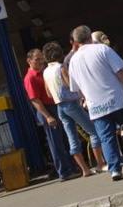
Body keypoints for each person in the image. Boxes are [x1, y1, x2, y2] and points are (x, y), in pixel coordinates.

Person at [68, 25, 123, 181]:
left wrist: (85, 98)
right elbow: (120, 71)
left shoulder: (73, 61)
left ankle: (115, 169)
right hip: (116, 98)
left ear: (77, 41)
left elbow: (76, 88)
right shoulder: (102, 49)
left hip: (96, 105)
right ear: (89, 37)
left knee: (106, 137)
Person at [42, 41, 106, 176]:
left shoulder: (46, 72)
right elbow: (70, 85)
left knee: (72, 138)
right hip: (71, 104)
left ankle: (85, 170)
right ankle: (100, 164)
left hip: (59, 106)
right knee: (93, 131)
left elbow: (48, 93)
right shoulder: (61, 68)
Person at [23, 48, 76, 181]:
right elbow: (34, 100)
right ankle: (64, 172)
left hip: (55, 106)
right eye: (37, 59)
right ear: (29, 61)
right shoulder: (30, 78)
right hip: (46, 110)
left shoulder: (44, 72)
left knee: (64, 138)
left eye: (42, 58)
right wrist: (48, 116)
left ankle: (72, 167)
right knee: (55, 142)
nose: (41, 61)